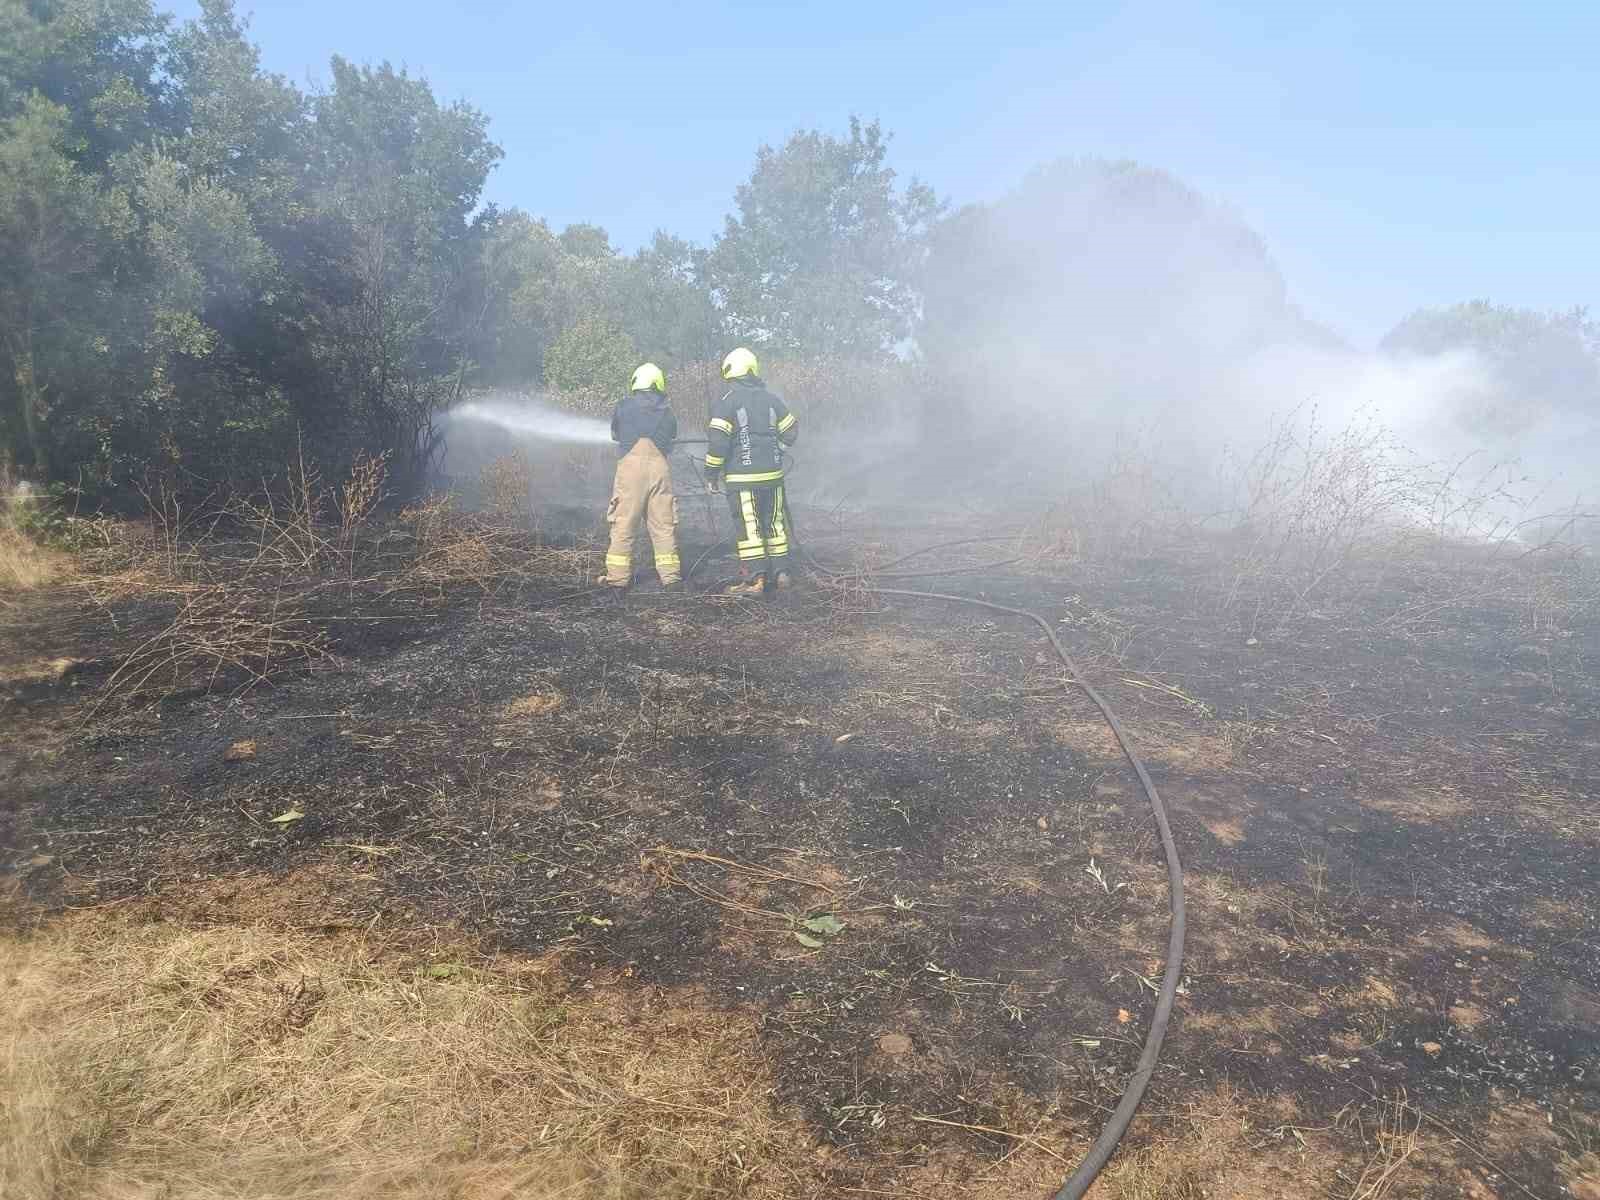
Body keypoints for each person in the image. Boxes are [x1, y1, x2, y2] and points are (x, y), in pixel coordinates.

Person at [703, 347, 798, 595]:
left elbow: (718, 443)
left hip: (742, 480)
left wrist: (711, 473)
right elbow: (791, 430)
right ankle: (782, 574)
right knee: (775, 525)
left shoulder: (727, 402)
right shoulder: (772, 399)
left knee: (750, 528)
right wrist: (776, 449)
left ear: (730, 374)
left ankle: (754, 580)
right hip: (773, 477)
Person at [598, 362, 681, 591]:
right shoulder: (668, 412)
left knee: (624, 523)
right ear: (659, 385)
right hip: (659, 470)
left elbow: (615, 434)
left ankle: (617, 579)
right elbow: (671, 439)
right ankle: (671, 578)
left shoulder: (624, 407)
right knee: (663, 525)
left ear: (636, 383)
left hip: (630, 470)